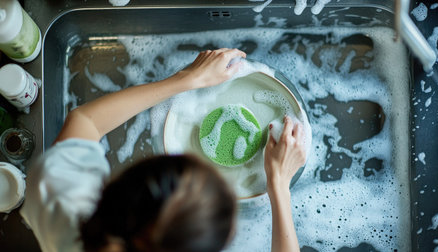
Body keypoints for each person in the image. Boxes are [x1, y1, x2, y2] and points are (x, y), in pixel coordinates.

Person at [20, 48, 306, 252]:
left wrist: (186, 80)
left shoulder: (57, 198)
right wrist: (279, 185)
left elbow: (84, 122)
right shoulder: (58, 194)